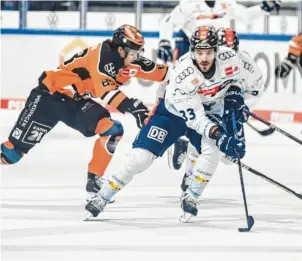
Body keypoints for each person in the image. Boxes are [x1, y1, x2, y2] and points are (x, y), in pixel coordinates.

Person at [84, 25, 246, 222]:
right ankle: (103, 196)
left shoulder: (230, 58)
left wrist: (234, 94)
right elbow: (195, 119)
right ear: (192, 51)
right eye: (199, 52)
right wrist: (220, 134)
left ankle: (192, 196)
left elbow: (235, 80)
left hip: (207, 110)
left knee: (218, 151)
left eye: (209, 52)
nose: (204, 58)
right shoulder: (183, 74)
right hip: (173, 113)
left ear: (216, 51)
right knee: (141, 159)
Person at [0, 24, 169, 200]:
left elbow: (166, 74)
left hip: (73, 102)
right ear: (121, 50)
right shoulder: (102, 58)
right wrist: (135, 107)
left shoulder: (130, 59)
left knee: (112, 129)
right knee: (11, 154)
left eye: (138, 52)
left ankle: (94, 181)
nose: (137, 57)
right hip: (48, 96)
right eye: (133, 53)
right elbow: (107, 93)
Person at [157, 0, 281, 169]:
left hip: (216, 51)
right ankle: (182, 134)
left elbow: (244, 15)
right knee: (185, 92)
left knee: (219, 88)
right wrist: (164, 41)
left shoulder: (225, 2)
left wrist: (263, 8)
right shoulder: (189, 3)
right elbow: (168, 21)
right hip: (191, 48)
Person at [178, 27, 265, 203]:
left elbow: (256, 89)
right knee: (206, 139)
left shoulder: (246, 65)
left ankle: (189, 150)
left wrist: (242, 106)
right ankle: (190, 175)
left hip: (229, 107)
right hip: (205, 108)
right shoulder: (194, 63)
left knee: (232, 156)